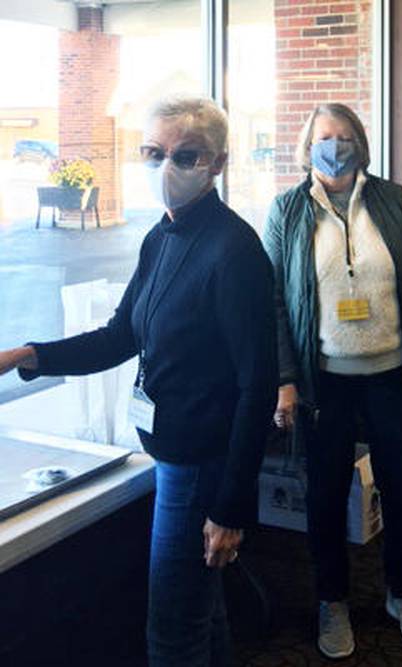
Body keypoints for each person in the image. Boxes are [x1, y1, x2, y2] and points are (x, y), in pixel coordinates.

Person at [0, 95, 278, 667]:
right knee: (203, 612)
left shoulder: (234, 250)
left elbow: (258, 387)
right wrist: (27, 355)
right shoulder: (161, 237)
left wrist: (230, 509)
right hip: (170, 453)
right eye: (153, 153)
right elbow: (120, 336)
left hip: (201, 464)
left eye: (185, 155)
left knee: (172, 631)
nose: (165, 168)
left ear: (218, 163)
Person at [262, 103, 402, 659]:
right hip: (325, 383)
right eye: (324, 137)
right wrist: (285, 378)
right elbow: (271, 301)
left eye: (344, 137)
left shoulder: (391, 199)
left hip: (390, 373)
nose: (334, 146)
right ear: (307, 146)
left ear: (360, 143)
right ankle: (332, 600)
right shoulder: (287, 211)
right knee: (323, 493)